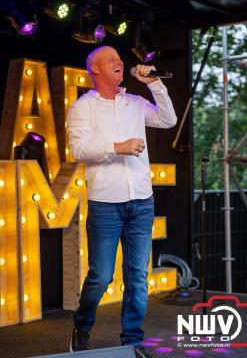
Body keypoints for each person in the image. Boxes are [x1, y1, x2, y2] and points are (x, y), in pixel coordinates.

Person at [67, 46, 177, 357]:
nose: (120, 62)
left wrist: (154, 83)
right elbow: (79, 149)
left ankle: (132, 341)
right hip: (106, 205)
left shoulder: (135, 102)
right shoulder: (83, 107)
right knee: (101, 275)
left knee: (138, 279)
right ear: (95, 69)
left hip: (142, 202)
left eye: (120, 59)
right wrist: (119, 146)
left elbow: (168, 119)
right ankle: (82, 325)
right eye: (111, 59)